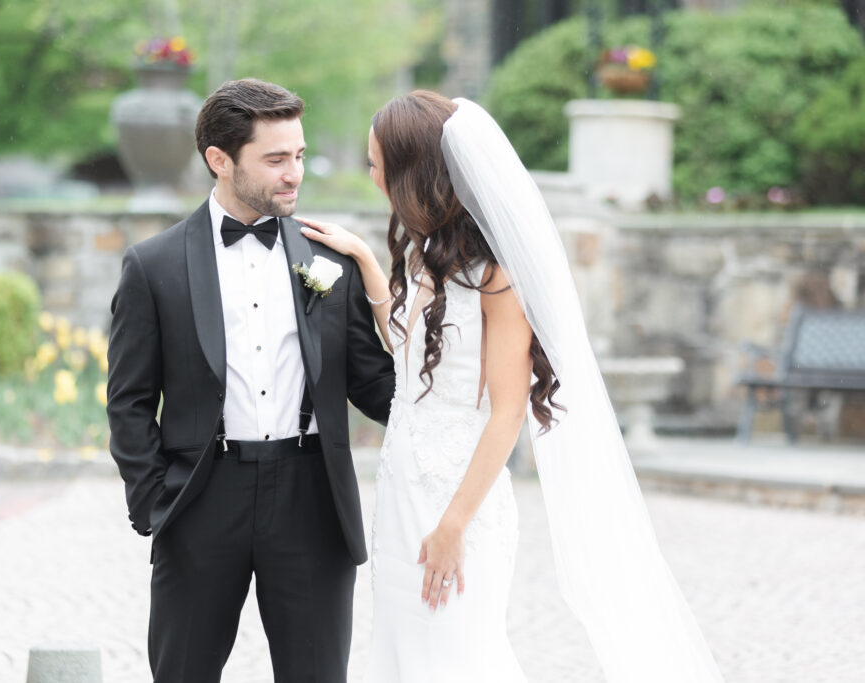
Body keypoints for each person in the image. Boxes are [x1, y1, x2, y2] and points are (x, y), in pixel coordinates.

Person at [300, 91, 725, 682]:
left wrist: (454, 525)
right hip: (401, 490)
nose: (373, 178)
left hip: (459, 499)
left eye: (378, 167)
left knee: (456, 656)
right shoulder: (427, 258)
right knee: (405, 653)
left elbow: (507, 413)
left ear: (415, 172)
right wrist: (369, 264)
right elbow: (408, 356)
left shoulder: (497, 280)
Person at [105, 78, 395, 683]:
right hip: (200, 500)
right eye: (275, 159)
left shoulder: (330, 261)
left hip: (312, 500)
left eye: (300, 155)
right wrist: (155, 502)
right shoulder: (153, 266)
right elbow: (129, 401)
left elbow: (379, 392)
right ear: (220, 161)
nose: (295, 174)